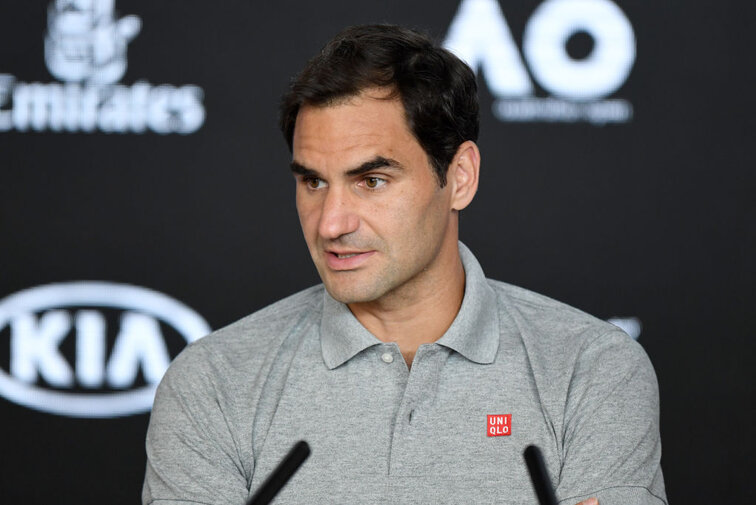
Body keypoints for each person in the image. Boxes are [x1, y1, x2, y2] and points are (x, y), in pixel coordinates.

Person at [142, 24, 667, 505]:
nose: (330, 223)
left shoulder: (592, 371)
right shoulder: (212, 383)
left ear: (459, 177)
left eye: (371, 181)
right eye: (313, 182)